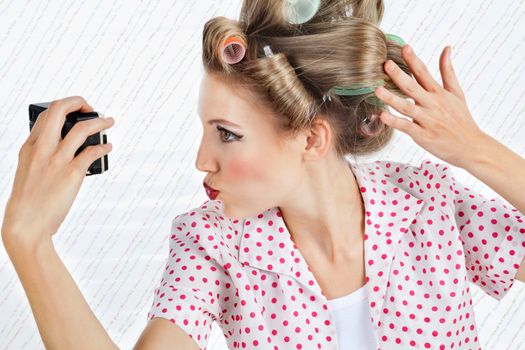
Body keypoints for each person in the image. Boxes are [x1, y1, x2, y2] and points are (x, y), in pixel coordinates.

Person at [2, 0, 525, 349]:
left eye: (227, 133)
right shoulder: (212, 242)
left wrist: (476, 150)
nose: (202, 161)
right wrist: (29, 241)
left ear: (312, 139)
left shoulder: (428, 202)